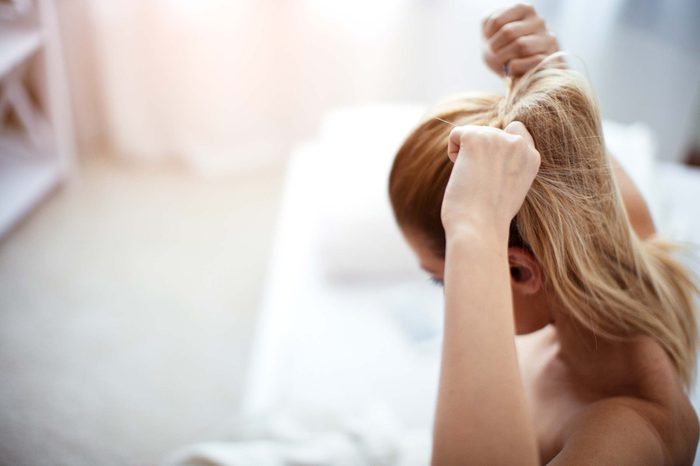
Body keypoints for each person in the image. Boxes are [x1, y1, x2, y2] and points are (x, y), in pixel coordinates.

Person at [388, 3, 699, 464]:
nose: (450, 295)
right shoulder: (619, 224)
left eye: (443, 279)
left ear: (517, 269)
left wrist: (475, 228)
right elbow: (573, 154)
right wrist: (543, 68)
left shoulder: (624, 432)